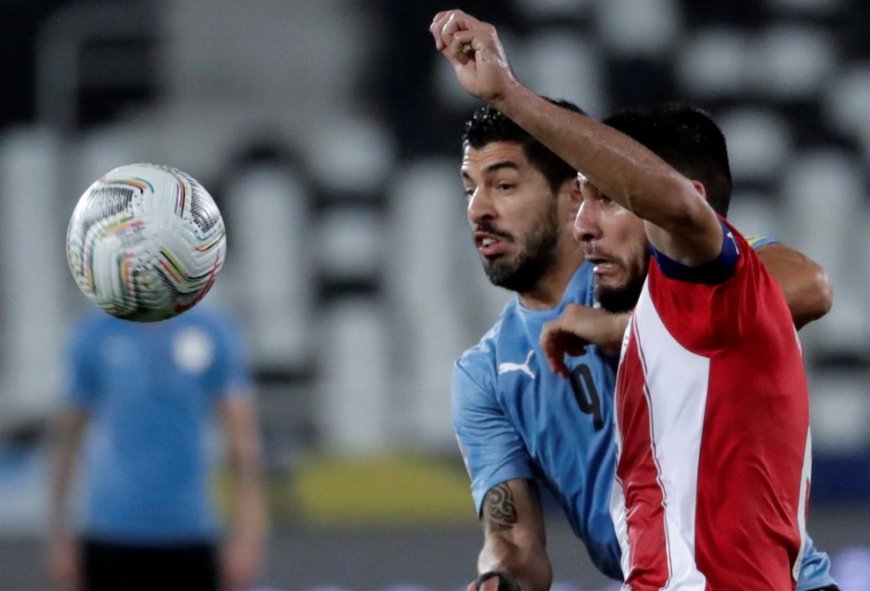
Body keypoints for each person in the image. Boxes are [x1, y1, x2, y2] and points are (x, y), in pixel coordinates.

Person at [431, 9, 837, 591]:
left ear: (573, 192)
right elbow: (515, 544)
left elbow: (806, 287)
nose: (478, 210)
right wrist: (501, 578)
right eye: (469, 190)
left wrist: (623, 328)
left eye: (504, 184)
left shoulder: (670, 271)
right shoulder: (486, 374)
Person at [47, 305, 266, 591]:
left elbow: (242, 443)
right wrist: (58, 535)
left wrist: (247, 537)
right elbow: (66, 440)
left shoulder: (214, 333)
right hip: (111, 531)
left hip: (190, 531)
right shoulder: (95, 334)